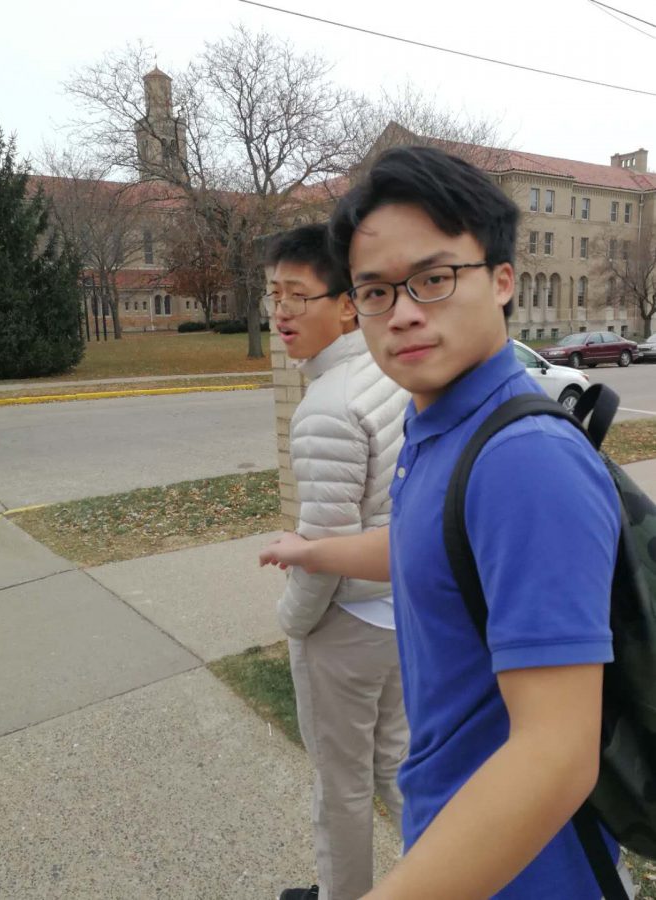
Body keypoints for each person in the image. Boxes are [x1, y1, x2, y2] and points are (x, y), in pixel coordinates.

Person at [261, 147, 635, 899]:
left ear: (500, 281)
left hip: (526, 872)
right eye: (374, 291)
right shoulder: (441, 421)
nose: (400, 312)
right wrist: (314, 549)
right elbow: (430, 548)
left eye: (432, 279)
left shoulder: (522, 458)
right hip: (454, 837)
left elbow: (555, 755)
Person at [264, 224, 410, 900]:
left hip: (346, 623)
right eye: (272, 295)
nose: (281, 312)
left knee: (340, 786)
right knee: (399, 766)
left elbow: (320, 554)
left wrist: (291, 622)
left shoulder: (327, 405)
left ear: (347, 304)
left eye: (298, 294)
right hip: (399, 614)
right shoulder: (387, 371)